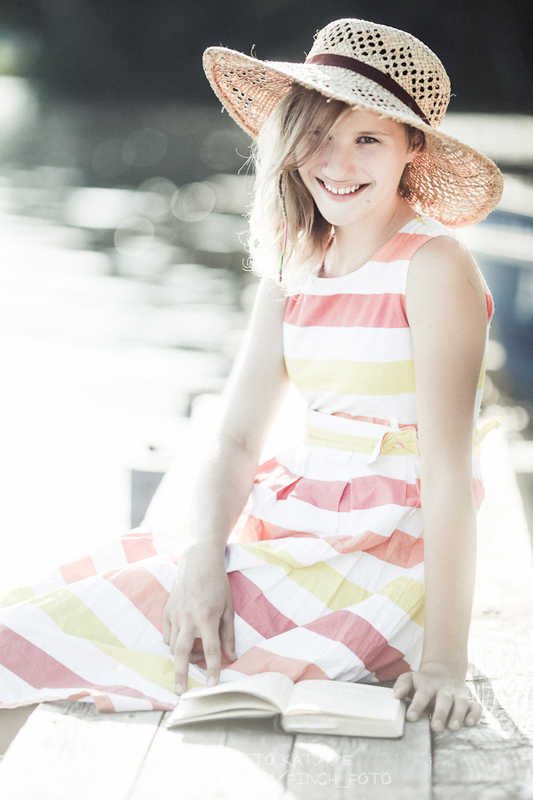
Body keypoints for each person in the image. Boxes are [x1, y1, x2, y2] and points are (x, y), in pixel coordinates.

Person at [0, 17, 503, 746]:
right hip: (293, 533)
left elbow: (449, 473)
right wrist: (204, 553)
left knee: (38, 639)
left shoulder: (433, 267)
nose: (337, 162)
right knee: (46, 604)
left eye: (367, 139)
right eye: (318, 135)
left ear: (411, 150)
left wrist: (445, 665)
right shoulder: (297, 263)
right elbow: (235, 437)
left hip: (376, 567)